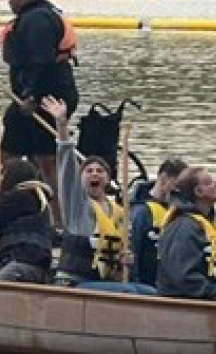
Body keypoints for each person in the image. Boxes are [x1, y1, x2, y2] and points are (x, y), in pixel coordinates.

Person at [43, 96, 155, 294]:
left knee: (151, 292)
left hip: (103, 282)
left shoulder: (120, 213)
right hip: (75, 282)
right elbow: (67, 169)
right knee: (131, 293)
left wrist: (125, 261)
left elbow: (120, 257)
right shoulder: (77, 207)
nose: (95, 173)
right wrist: (61, 126)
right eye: (89, 170)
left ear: (108, 179)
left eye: (100, 171)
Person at [0, 0, 79, 230]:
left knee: (40, 158)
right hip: (44, 94)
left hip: (46, 98)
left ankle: (57, 220)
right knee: (24, 152)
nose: (9, 2)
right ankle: (29, 207)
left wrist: (31, 97)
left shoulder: (37, 20)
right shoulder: (42, 13)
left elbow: (41, 62)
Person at [155, 167, 216, 302]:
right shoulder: (184, 227)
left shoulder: (214, 223)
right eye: (209, 183)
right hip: (188, 303)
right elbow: (184, 277)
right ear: (198, 191)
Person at [128, 158, 188, 286]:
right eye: (177, 186)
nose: (180, 193)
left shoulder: (181, 212)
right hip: (146, 285)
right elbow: (133, 250)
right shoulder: (141, 212)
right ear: (164, 178)